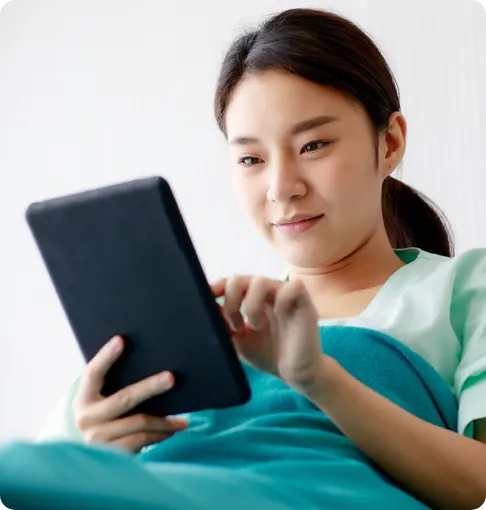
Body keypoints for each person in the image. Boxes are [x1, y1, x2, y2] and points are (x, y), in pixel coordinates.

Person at [2, 7, 486, 510]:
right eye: (251, 159)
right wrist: (98, 447)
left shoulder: (464, 289)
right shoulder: (190, 330)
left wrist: (318, 378)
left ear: (389, 143)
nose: (282, 188)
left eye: (313, 144)